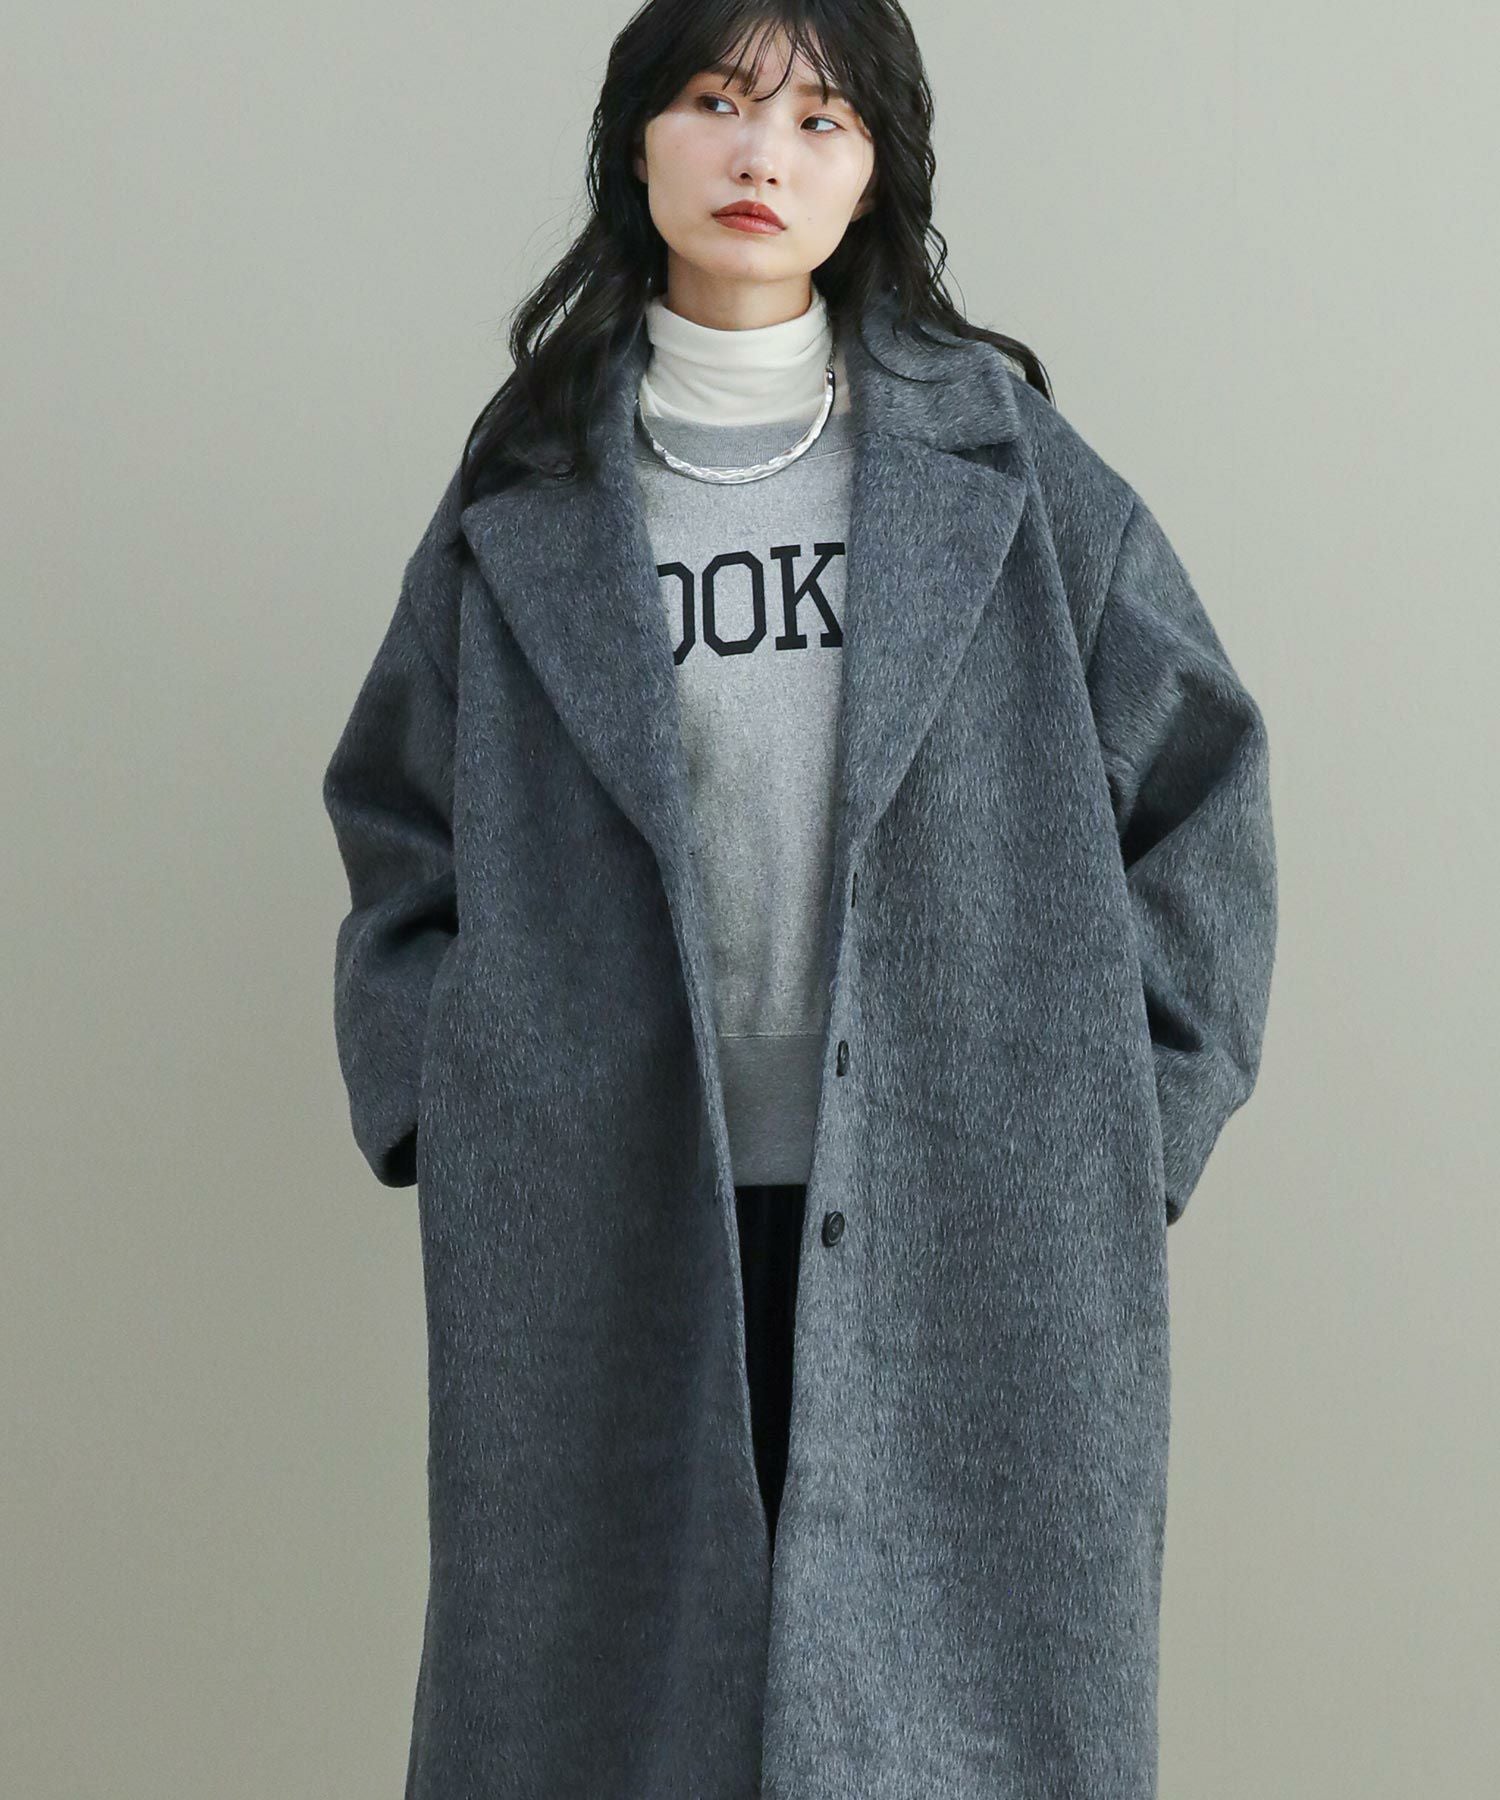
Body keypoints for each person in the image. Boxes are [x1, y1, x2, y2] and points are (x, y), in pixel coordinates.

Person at [320, 3, 1278, 1795]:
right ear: (639, 140)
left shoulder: (1009, 474)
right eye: (718, 100)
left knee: (949, 1720)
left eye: (821, 119)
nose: (764, 153)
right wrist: (453, 1104)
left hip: (962, 1196)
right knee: (598, 1712)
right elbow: (398, 817)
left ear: (873, 176)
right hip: (604, 1200)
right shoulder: (526, 491)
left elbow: (1202, 792)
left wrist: (1111, 1129)